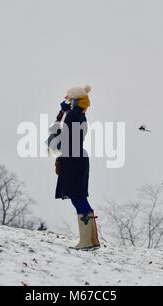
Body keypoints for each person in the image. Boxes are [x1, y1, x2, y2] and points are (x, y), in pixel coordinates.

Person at [54, 85, 100, 251]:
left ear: (75, 101)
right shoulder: (80, 115)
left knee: (76, 196)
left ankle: (87, 241)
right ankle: (91, 240)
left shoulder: (73, 115)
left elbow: (57, 139)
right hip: (79, 158)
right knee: (80, 196)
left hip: (72, 159)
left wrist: (60, 116)